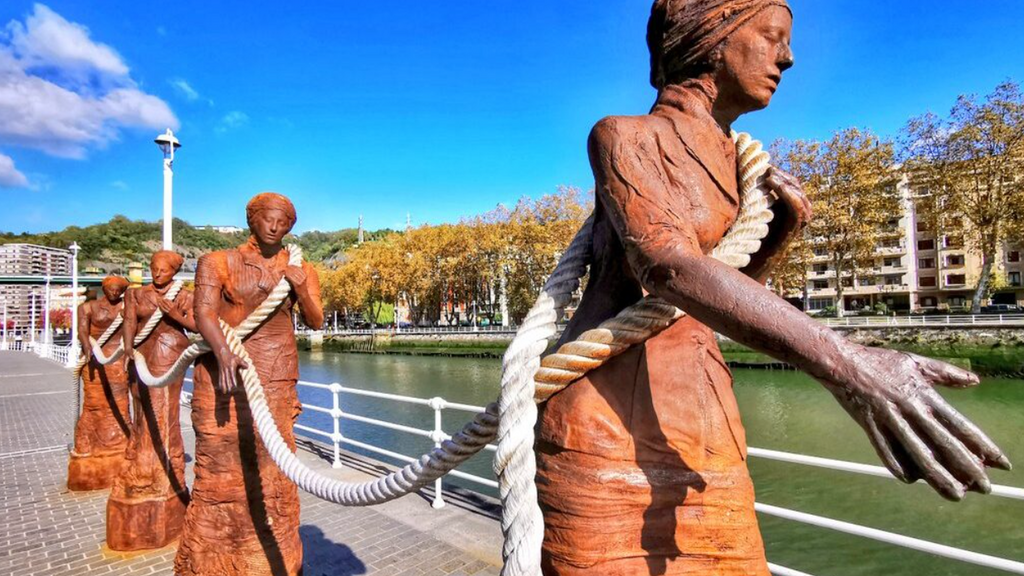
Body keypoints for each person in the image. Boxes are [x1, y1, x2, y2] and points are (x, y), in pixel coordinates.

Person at [535, 1, 1010, 574]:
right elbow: (665, 267)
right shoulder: (624, 135)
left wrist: (777, 232)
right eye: (772, 37)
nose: (787, 57)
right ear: (712, 42)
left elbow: (703, 308)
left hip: (706, 426)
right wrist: (850, 364)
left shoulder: (742, 166)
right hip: (608, 426)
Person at [175, 192, 323, 576]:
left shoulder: (300, 266)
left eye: (285, 222)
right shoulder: (217, 262)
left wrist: (302, 287)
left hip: (276, 371)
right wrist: (224, 352)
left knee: (273, 462)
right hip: (225, 371)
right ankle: (218, 551)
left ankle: (274, 551)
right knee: (222, 462)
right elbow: (203, 312)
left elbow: (316, 321)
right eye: (269, 218)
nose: (276, 227)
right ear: (252, 219)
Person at [107, 250, 193, 550]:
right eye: (154, 268)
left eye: (164, 270)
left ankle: (163, 470)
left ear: (173, 271)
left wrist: (175, 315)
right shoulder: (136, 295)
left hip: (170, 351)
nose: (158, 274)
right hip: (142, 352)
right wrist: (128, 349)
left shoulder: (182, 293)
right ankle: (140, 461)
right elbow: (129, 321)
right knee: (141, 409)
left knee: (163, 411)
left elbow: (195, 325)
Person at [68, 275, 131, 491]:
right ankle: (87, 441)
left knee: (120, 402)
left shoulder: (126, 307)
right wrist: (87, 348)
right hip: (95, 357)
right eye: (111, 288)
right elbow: (82, 331)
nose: (114, 292)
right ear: (104, 288)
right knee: (94, 403)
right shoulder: (88, 307)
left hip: (119, 358)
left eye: (118, 289)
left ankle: (119, 440)